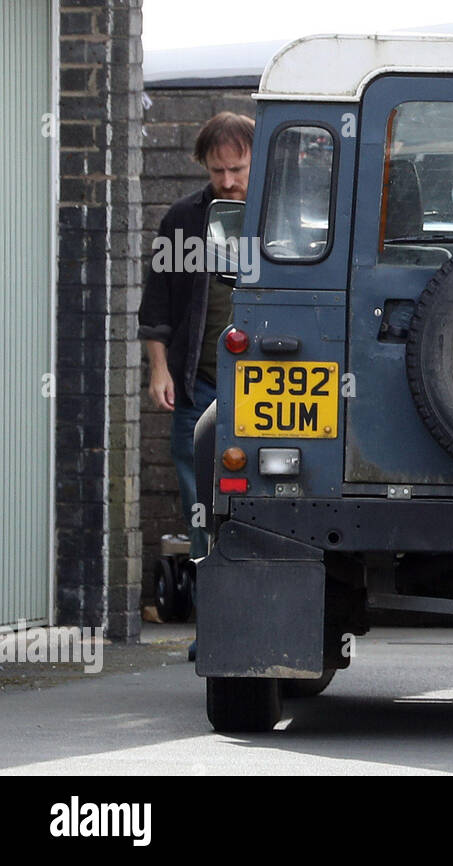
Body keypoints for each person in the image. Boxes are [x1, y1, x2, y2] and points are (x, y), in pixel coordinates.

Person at [138, 113, 253, 572]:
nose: (227, 181)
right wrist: (158, 368)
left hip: (266, 385)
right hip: (198, 384)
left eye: (237, 169)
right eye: (217, 170)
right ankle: (208, 635)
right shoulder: (183, 219)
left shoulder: (286, 215)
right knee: (199, 507)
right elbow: (157, 304)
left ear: (255, 159)